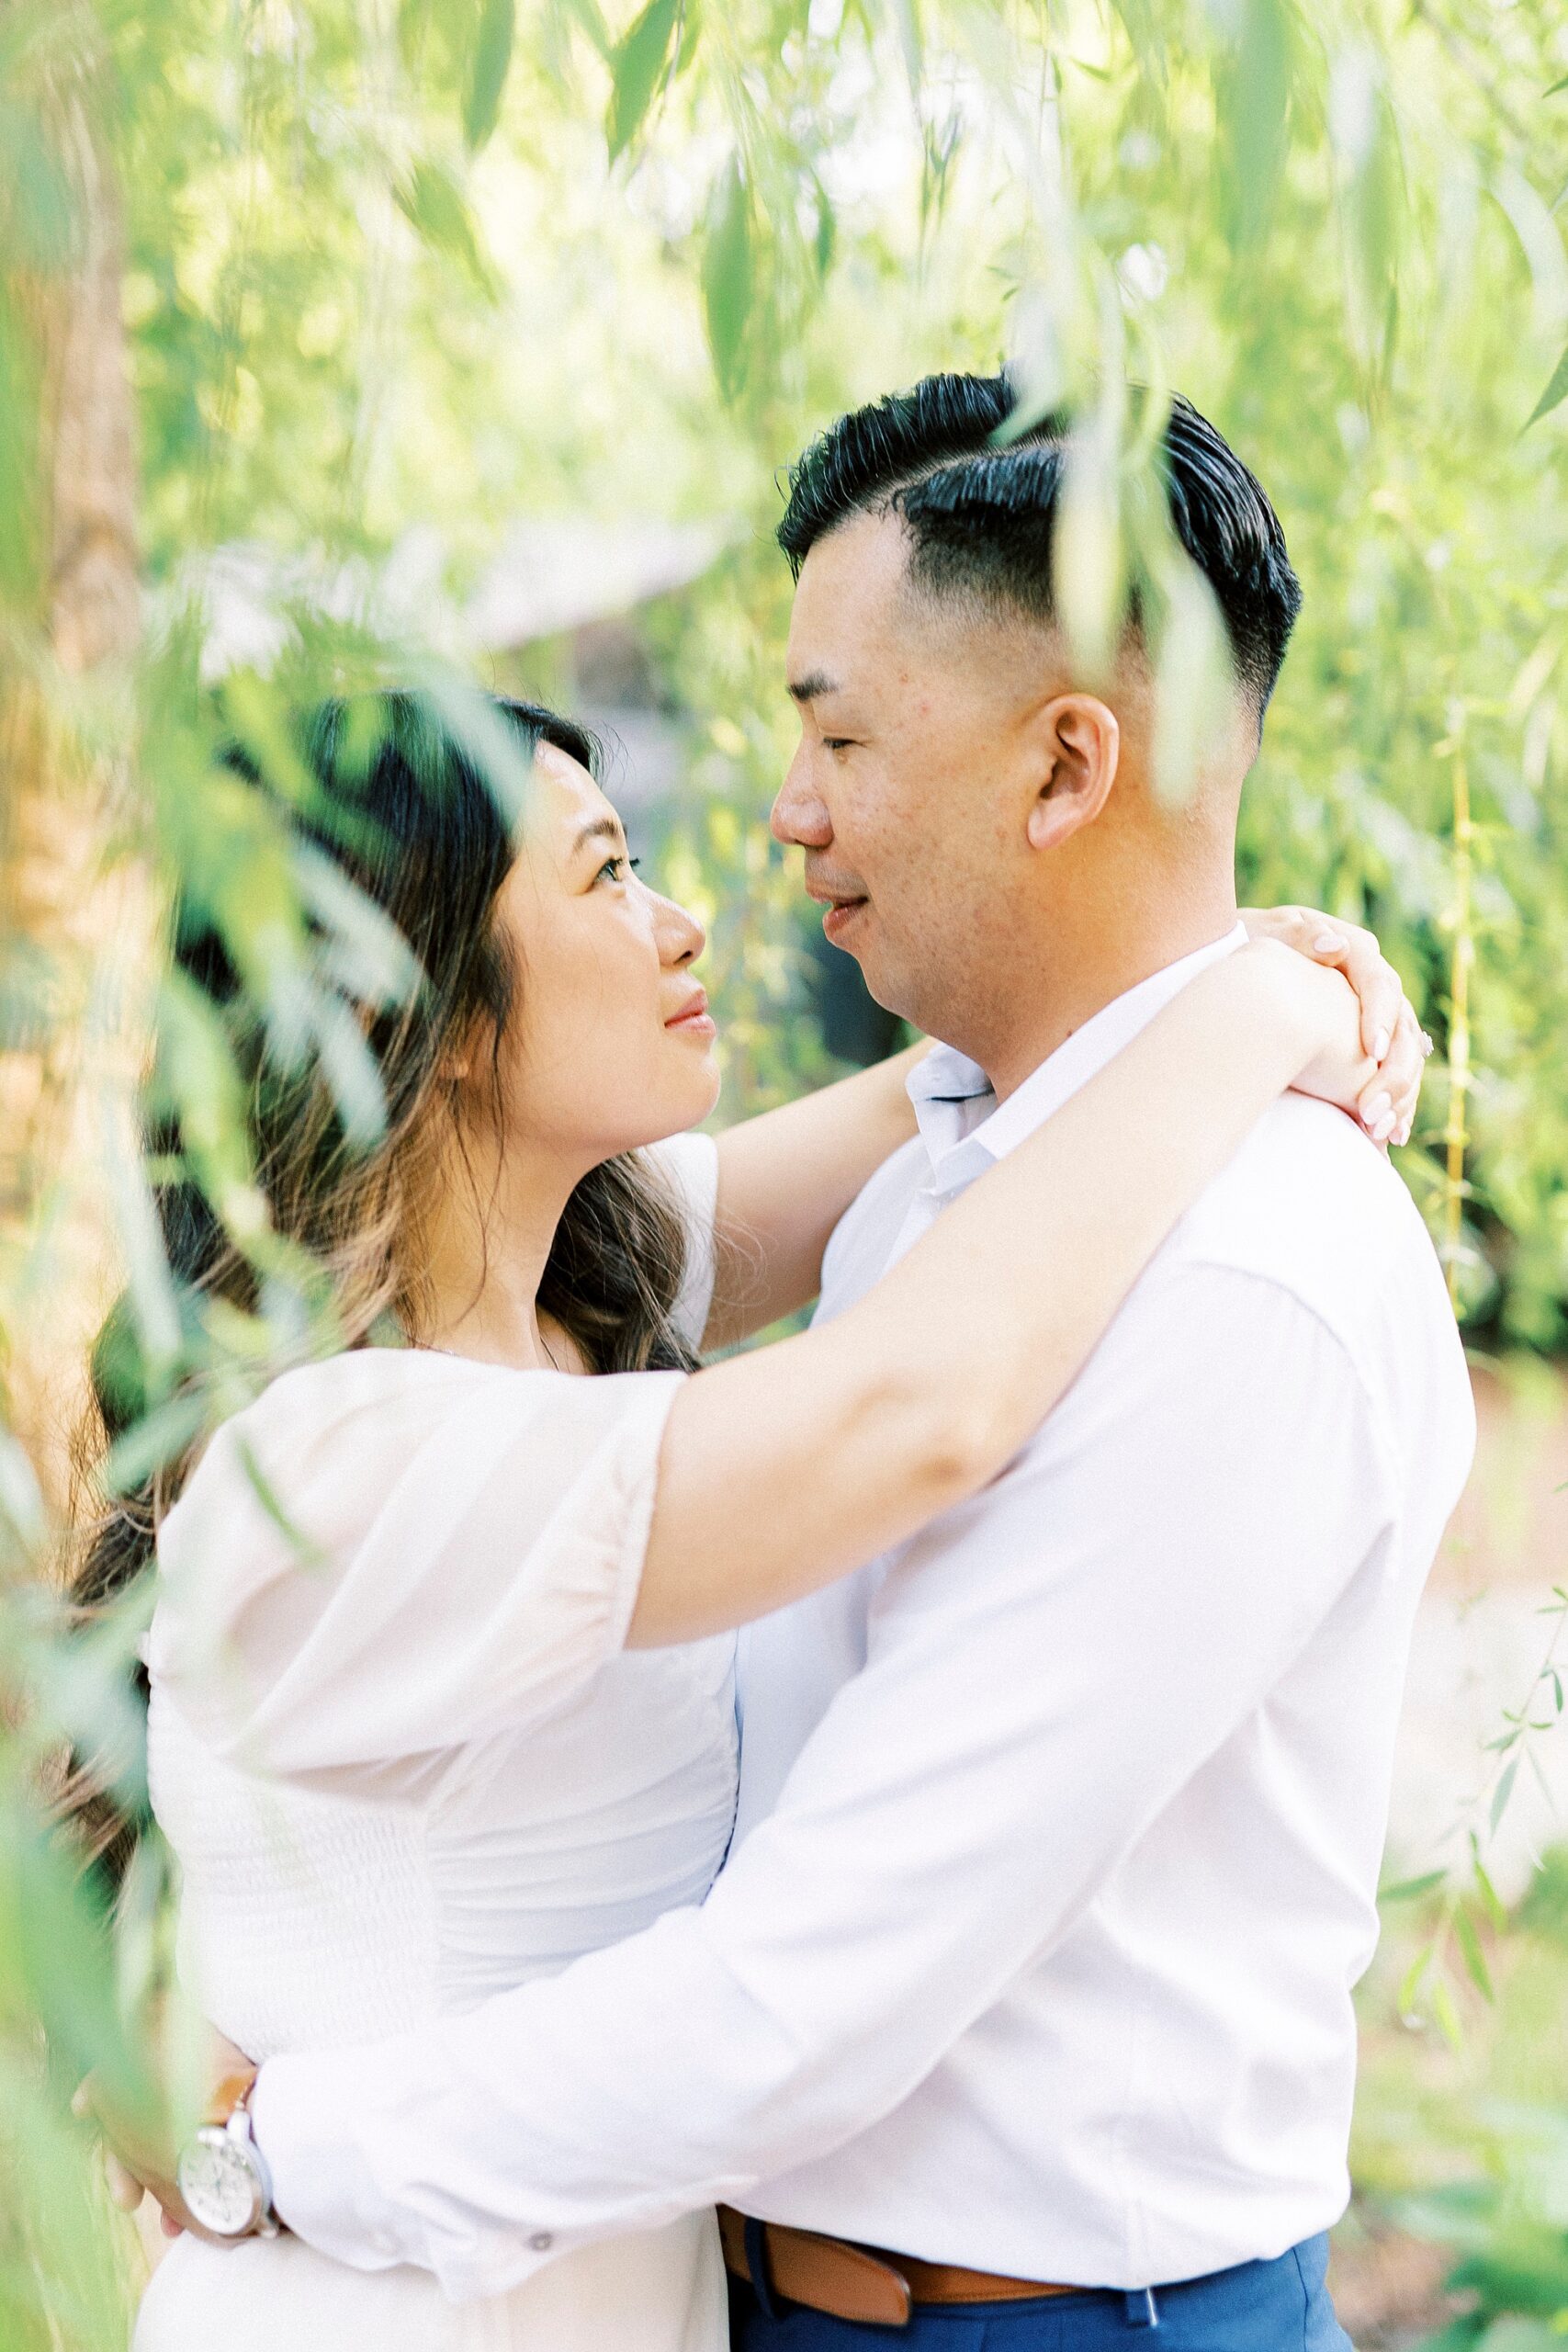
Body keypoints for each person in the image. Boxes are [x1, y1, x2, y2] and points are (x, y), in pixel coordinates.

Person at [90, 380, 1460, 2352]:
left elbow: (820, 1977)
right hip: (435, 2290)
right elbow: (909, 1396)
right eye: (603, 874)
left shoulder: (1211, 1259)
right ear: (436, 1016)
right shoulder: (351, 1455)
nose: (761, 838)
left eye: (831, 734)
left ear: (1065, 765)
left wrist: (1232, 984)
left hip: (1021, 2314)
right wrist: (1237, 991)